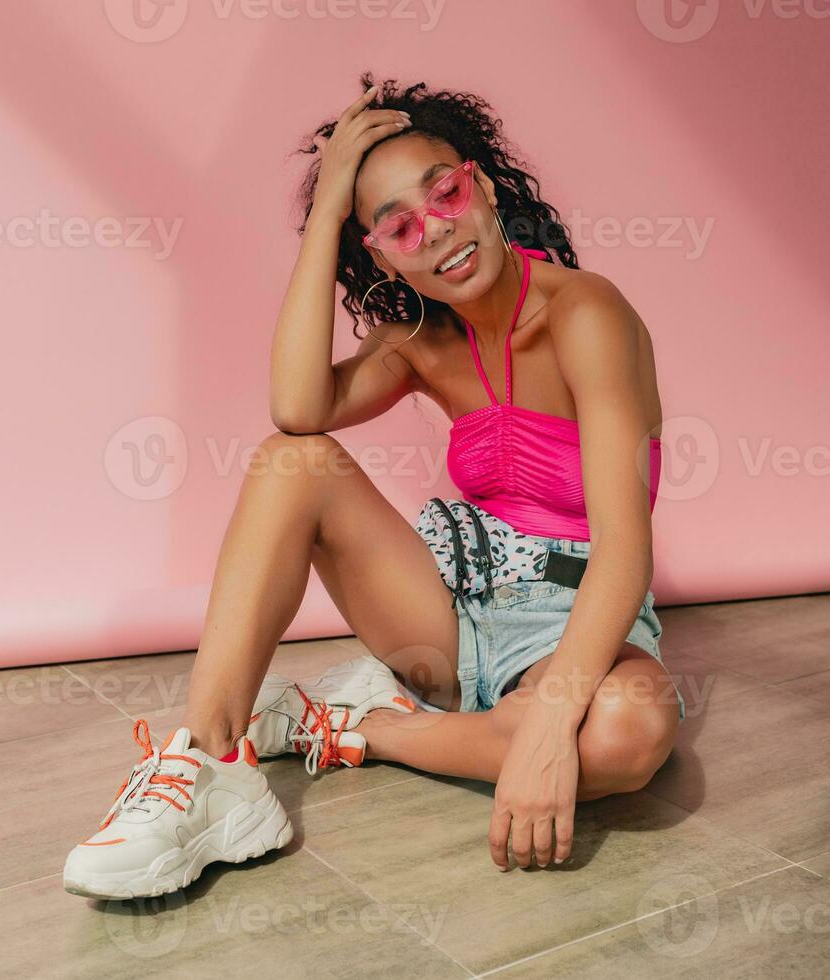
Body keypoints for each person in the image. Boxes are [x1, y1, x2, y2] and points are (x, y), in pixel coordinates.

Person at [63, 73, 685, 902]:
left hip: (577, 618)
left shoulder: (586, 314)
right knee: (294, 460)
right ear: (378, 253)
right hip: (449, 611)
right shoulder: (420, 342)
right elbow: (297, 408)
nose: (435, 232)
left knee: (625, 738)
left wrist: (547, 720)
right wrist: (324, 215)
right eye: (397, 227)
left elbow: (623, 546)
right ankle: (210, 760)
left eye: (445, 194)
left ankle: (363, 727)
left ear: (484, 185)